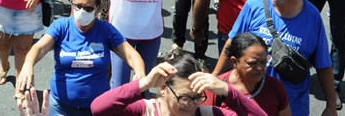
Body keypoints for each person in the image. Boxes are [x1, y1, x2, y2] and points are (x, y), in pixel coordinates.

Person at [215, 0, 339, 116]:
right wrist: (215, 78)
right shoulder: (254, 5)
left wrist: (331, 105)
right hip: (251, 102)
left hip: (293, 105)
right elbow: (232, 44)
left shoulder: (312, 17)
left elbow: (323, 64)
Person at [16, 0, 145, 116]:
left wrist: (139, 73)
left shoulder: (106, 30)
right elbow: (39, 47)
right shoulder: (61, 26)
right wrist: (28, 64)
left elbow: (130, 54)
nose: (82, 11)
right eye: (78, 6)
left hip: (97, 109)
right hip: (60, 108)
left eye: (88, 8)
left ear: (98, 9)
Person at [91, 50, 266, 116]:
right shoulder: (145, 110)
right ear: (163, 89)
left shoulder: (209, 113)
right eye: (184, 97)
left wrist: (228, 91)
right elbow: (98, 108)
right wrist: (142, 84)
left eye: (197, 97)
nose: (191, 105)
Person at [205, 33, 291, 116]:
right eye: (252, 63)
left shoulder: (275, 87)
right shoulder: (215, 89)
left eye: (263, 62)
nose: (259, 68)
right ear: (235, 61)